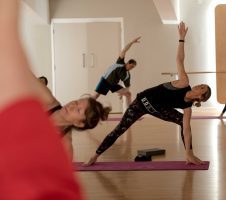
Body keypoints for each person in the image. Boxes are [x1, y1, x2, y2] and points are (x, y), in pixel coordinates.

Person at [85, 22, 211, 166]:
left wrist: (189, 151)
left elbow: (187, 130)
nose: (199, 85)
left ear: (200, 97)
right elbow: (179, 60)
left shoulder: (188, 107)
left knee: (183, 121)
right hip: (142, 102)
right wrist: (181, 38)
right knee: (120, 129)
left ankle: (189, 156)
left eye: (202, 88)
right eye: (201, 84)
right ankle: (95, 156)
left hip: (157, 109)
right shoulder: (183, 82)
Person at [0, 0, 83, 199]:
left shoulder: (64, 146)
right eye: (78, 102)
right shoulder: (50, 103)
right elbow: (21, 74)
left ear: (79, 124)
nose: (73, 104)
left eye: (79, 110)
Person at [92, 36, 141, 106]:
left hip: (113, 84)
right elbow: (124, 50)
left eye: (133, 67)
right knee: (95, 96)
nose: (131, 68)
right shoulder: (120, 63)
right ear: (127, 63)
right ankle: (86, 109)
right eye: (131, 66)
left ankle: (130, 112)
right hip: (105, 81)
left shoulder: (127, 75)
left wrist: (122, 93)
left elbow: (127, 87)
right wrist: (132, 42)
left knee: (128, 94)